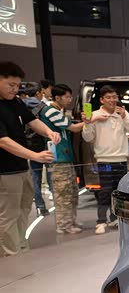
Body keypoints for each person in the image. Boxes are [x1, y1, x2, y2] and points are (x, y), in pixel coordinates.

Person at [0, 62, 61, 256]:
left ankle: (20, 247)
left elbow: (32, 121)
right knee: (8, 215)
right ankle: (10, 254)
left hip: (21, 167)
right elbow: (3, 141)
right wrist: (35, 155)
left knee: (23, 209)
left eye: (17, 85)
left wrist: (49, 132)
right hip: (4, 172)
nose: (14, 89)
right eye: (10, 84)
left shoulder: (16, 102)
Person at [82, 85, 129, 235]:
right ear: (102, 100)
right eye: (108, 97)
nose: (112, 100)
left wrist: (124, 116)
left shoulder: (122, 113)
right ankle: (101, 221)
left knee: (118, 191)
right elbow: (88, 137)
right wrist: (88, 122)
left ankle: (115, 218)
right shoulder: (94, 115)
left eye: (114, 97)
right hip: (103, 160)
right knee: (104, 191)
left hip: (121, 159)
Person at [39, 84, 89, 235]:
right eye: (67, 97)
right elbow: (73, 128)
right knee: (63, 193)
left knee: (72, 192)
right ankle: (64, 225)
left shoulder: (58, 111)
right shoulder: (51, 111)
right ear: (57, 97)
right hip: (58, 159)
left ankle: (70, 221)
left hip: (65, 157)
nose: (70, 99)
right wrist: (92, 120)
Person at [22, 84, 53, 215]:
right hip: (46, 144)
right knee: (52, 175)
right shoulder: (43, 107)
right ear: (38, 93)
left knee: (35, 176)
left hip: (31, 146)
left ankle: (40, 206)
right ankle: (57, 202)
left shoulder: (22, 106)